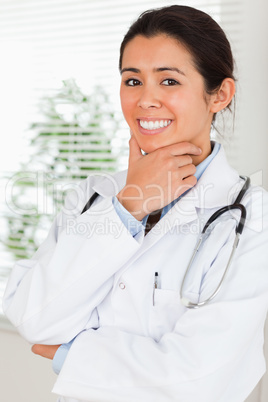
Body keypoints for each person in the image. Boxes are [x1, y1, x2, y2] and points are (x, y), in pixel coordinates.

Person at [3, 5, 268, 402]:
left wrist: (70, 354)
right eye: (132, 80)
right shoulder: (91, 196)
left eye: (169, 81)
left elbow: (197, 380)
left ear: (220, 94)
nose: (145, 100)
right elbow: (35, 317)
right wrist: (127, 205)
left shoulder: (252, 217)